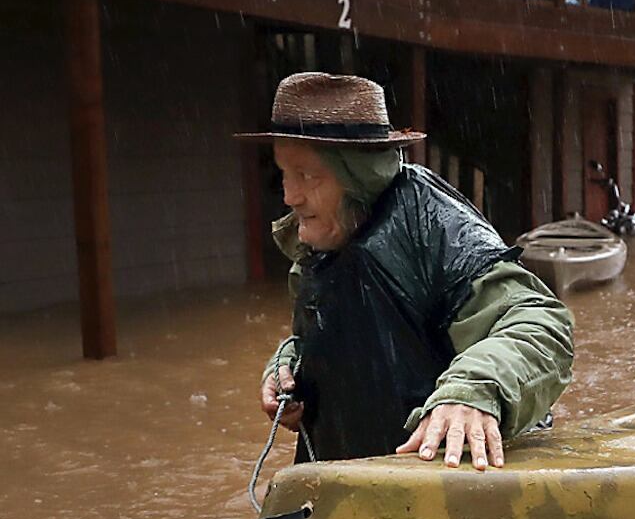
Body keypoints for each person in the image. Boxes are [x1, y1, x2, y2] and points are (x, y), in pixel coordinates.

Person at [242, 72, 574, 470]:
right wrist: (291, 366)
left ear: (357, 175)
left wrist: (473, 391)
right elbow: (334, 330)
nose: (289, 196)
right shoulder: (320, 236)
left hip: (446, 479)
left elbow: (542, 324)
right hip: (348, 483)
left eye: (308, 176)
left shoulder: (433, 225)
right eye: (284, 173)